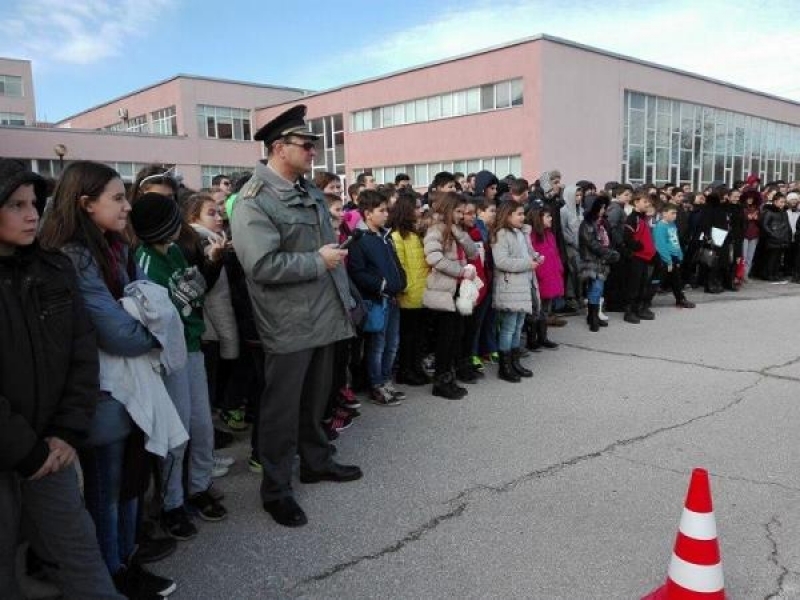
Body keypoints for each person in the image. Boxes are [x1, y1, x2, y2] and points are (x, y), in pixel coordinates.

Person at [0, 160, 128, 600]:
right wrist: (25, 449)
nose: (33, 214)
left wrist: (66, 431)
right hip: (16, 449)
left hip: (52, 449)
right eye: (16, 205)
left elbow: (81, 352)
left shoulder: (54, 269)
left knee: (79, 552)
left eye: (34, 203)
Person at [231, 105, 362, 528]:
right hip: (289, 322)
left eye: (313, 144)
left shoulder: (306, 191)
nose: (312, 151)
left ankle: (316, 462)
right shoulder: (255, 200)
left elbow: (328, 252)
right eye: (305, 144)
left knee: (316, 401)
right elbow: (261, 265)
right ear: (277, 147)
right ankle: (276, 489)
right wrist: (317, 262)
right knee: (281, 412)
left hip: (323, 315)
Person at [130, 193, 229, 539]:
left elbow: (195, 291)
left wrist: (212, 263)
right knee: (177, 433)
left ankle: (198, 487)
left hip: (192, 347)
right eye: (173, 221)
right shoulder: (143, 260)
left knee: (201, 424)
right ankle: (172, 503)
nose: (179, 228)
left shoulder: (173, 251)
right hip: (168, 356)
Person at [348, 190, 407, 405]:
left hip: (392, 298)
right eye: (381, 210)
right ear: (367, 214)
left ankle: (386, 379)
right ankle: (376, 384)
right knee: (378, 345)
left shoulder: (386, 236)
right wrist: (381, 285)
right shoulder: (360, 239)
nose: (386, 214)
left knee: (392, 343)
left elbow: (395, 263)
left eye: (386, 209)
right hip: (376, 301)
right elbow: (358, 272)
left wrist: (401, 281)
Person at [422, 191, 477, 399]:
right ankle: (441, 382)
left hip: (457, 290)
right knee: (445, 339)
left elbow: (473, 253)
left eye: (463, 212)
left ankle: (449, 377)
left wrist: (461, 233)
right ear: (448, 209)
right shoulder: (436, 230)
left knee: (455, 336)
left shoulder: (456, 230)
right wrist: (460, 271)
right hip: (443, 291)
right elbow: (434, 258)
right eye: (458, 211)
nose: (461, 215)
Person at [491, 200, 537, 382]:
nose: (522, 217)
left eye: (522, 213)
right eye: (518, 214)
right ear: (507, 215)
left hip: (522, 285)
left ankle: (515, 362)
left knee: (518, 326)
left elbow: (526, 253)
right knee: (509, 327)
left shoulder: (520, 233)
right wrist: (528, 264)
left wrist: (534, 257)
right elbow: (501, 261)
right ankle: (505, 366)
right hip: (510, 287)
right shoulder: (501, 234)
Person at [390, 193, 430, 386]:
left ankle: (416, 367)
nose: (420, 210)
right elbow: (400, 266)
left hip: (422, 290)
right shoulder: (397, 236)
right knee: (409, 336)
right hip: (409, 293)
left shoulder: (414, 234)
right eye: (416, 207)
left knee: (419, 335)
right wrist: (405, 289)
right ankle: (406, 370)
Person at [579, 195, 619, 332]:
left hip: (602, 261)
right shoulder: (587, 224)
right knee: (595, 288)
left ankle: (592, 315)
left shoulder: (602, 223)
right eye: (600, 207)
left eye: (604, 207)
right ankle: (593, 317)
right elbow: (592, 244)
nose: (603, 210)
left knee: (598, 289)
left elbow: (609, 239)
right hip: (592, 261)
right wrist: (609, 253)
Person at [529, 206, 563, 348]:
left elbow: (555, 254)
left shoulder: (549, 234)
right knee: (535, 309)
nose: (551, 219)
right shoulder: (533, 236)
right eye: (547, 216)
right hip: (540, 277)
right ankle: (532, 339)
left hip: (551, 276)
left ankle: (543, 336)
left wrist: (559, 269)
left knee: (545, 309)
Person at [623, 191, 657, 324]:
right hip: (637, 256)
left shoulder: (643, 218)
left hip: (645, 257)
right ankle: (629, 311)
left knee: (643, 283)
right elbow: (627, 237)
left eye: (648, 202)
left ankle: (639, 309)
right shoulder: (633, 218)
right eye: (645, 202)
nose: (647, 204)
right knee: (634, 285)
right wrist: (638, 247)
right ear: (636, 202)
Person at [653, 204, 695, 308]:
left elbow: (675, 242)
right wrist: (668, 260)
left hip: (674, 256)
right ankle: (645, 300)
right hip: (666, 258)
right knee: (657, 280)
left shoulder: (672, 225)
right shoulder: (660, 227)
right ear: (664, 214)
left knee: (676, 279)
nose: (675, 215)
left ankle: (680, 299)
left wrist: (679, 255)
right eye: (672, 213)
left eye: (675, 213)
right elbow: (660, 245)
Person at [760, 192, 791, 282]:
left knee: (778, 258)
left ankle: (775, 274)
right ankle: (768, 274)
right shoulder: (769, 212)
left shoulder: (784, 212)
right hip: (772, 239)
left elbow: (787, 225)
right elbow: (765, 225)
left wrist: (788, 235)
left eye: (784, 202)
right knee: (771, 258)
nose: (783, 204)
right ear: (775, 201)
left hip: (782, 239)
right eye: (781, 202)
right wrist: (773, 235)